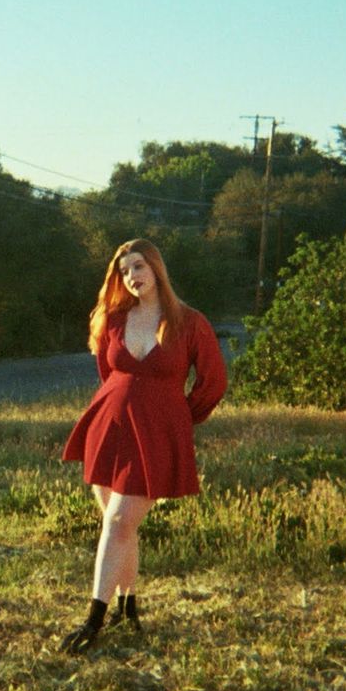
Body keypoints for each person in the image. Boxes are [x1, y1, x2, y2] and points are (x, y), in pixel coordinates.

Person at [60, 238, 226, 653]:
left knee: (119, 522)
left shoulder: (189, 322)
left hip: (156, 435)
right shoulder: (114, 319)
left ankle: (93, 621)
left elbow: (213, 381)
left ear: (156, 268)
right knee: (119, 524)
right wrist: (120, 405)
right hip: (108, 427)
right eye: (124, 271)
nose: (132, 276)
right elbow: (108, 373)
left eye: (138, 266)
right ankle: (127, 608)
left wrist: (178, 419)